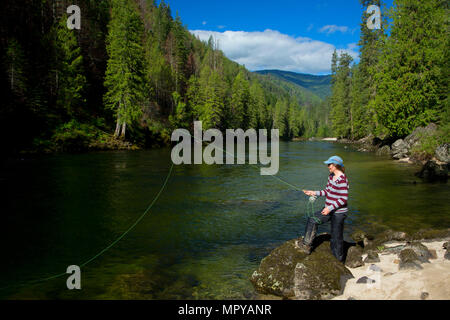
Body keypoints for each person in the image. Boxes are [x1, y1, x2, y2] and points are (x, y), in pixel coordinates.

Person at [297, 155, 349, 262]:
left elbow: (343, 199)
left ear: (335, 165)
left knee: (336, 238)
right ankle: (306, 245)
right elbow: (327, 192)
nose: (328, 166)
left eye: (329, 164)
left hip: (339, 213)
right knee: (312, 219)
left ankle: (339, 262)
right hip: (328, 209)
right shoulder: (331, 176)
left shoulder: (342, 180)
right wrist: (313, 192)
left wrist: (330, 208)